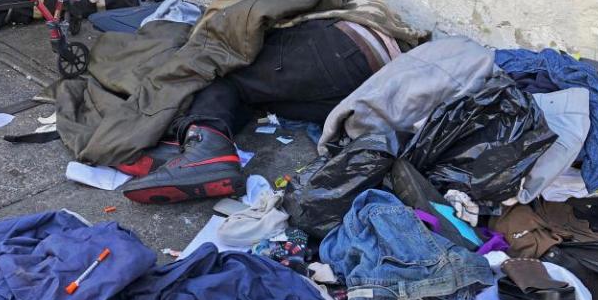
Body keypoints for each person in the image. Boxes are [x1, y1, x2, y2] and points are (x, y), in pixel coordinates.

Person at [119, 18, 404, 204]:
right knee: (253, 97)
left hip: (348, 46)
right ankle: (192, 145)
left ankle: (205, 148)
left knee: (220, 71)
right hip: (369, 85)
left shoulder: (212, 28)